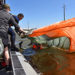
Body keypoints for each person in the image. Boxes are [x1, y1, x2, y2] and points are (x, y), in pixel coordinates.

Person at [0, 4, 24, 71]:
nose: (20, 19)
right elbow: (16, 26)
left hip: (5, 29)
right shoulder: (11, 16)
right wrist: (21, 31)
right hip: (3, 31)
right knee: (6, 49)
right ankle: (7, 66)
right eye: (21, 18)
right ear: (8, 9)